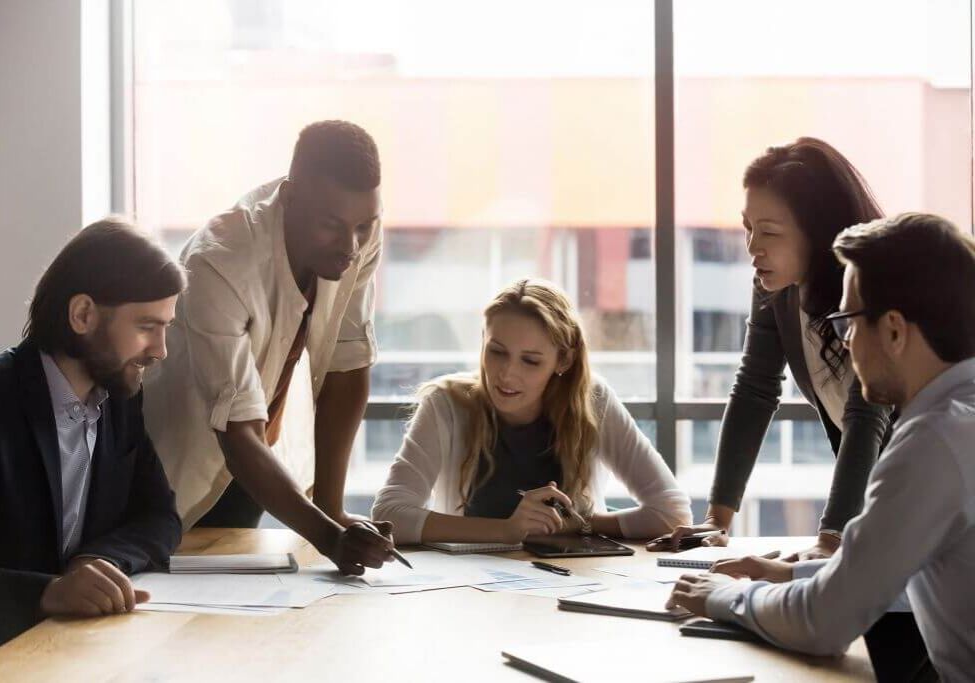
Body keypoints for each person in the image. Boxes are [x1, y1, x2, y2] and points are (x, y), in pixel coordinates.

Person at [668, 213, 975, 682]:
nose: (844, 342)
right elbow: (904, 573)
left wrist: (721, 596)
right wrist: (787, 576)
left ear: (894, 330)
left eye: (848, 322)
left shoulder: (934, 441)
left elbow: (823, 623)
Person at [143, 120, 394, 575]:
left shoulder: (355, 234)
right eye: (333, 227)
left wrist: (333, 512)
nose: (351, 246)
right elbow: (236, 434)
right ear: (291, 197)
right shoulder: (219, 262)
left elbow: (347, 364)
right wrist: (331, 538)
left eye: (364, 226)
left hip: (261, 468)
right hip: (179, 471)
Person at [649, 138, 892, 561]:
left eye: (770, 232)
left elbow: (866, 412)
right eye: (748, 227)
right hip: (885, 500)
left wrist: (830, 539)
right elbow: (755, 389)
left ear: (818, 235)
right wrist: (717, 521)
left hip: (932, 484)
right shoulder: (775, 288)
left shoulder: (871, 288)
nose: (752, 247)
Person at [372, 279, 692, 544]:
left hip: (573, 586)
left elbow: (671, 512)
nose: (507, 374)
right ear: (482, 342)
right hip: (468, 593)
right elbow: (390, 513)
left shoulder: (592, 400)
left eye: (530, 360)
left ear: (563, 361)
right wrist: (507, 530)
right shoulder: (445, 404)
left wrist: (580, 524)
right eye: (496, 352)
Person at [0, 218, 185, 645]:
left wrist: (96, 560)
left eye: (165, 327)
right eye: (146, 327)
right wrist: (47, 593)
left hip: (75, 645)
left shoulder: (120, 397)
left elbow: (159, 516)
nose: (160, 350)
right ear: (82, 314)